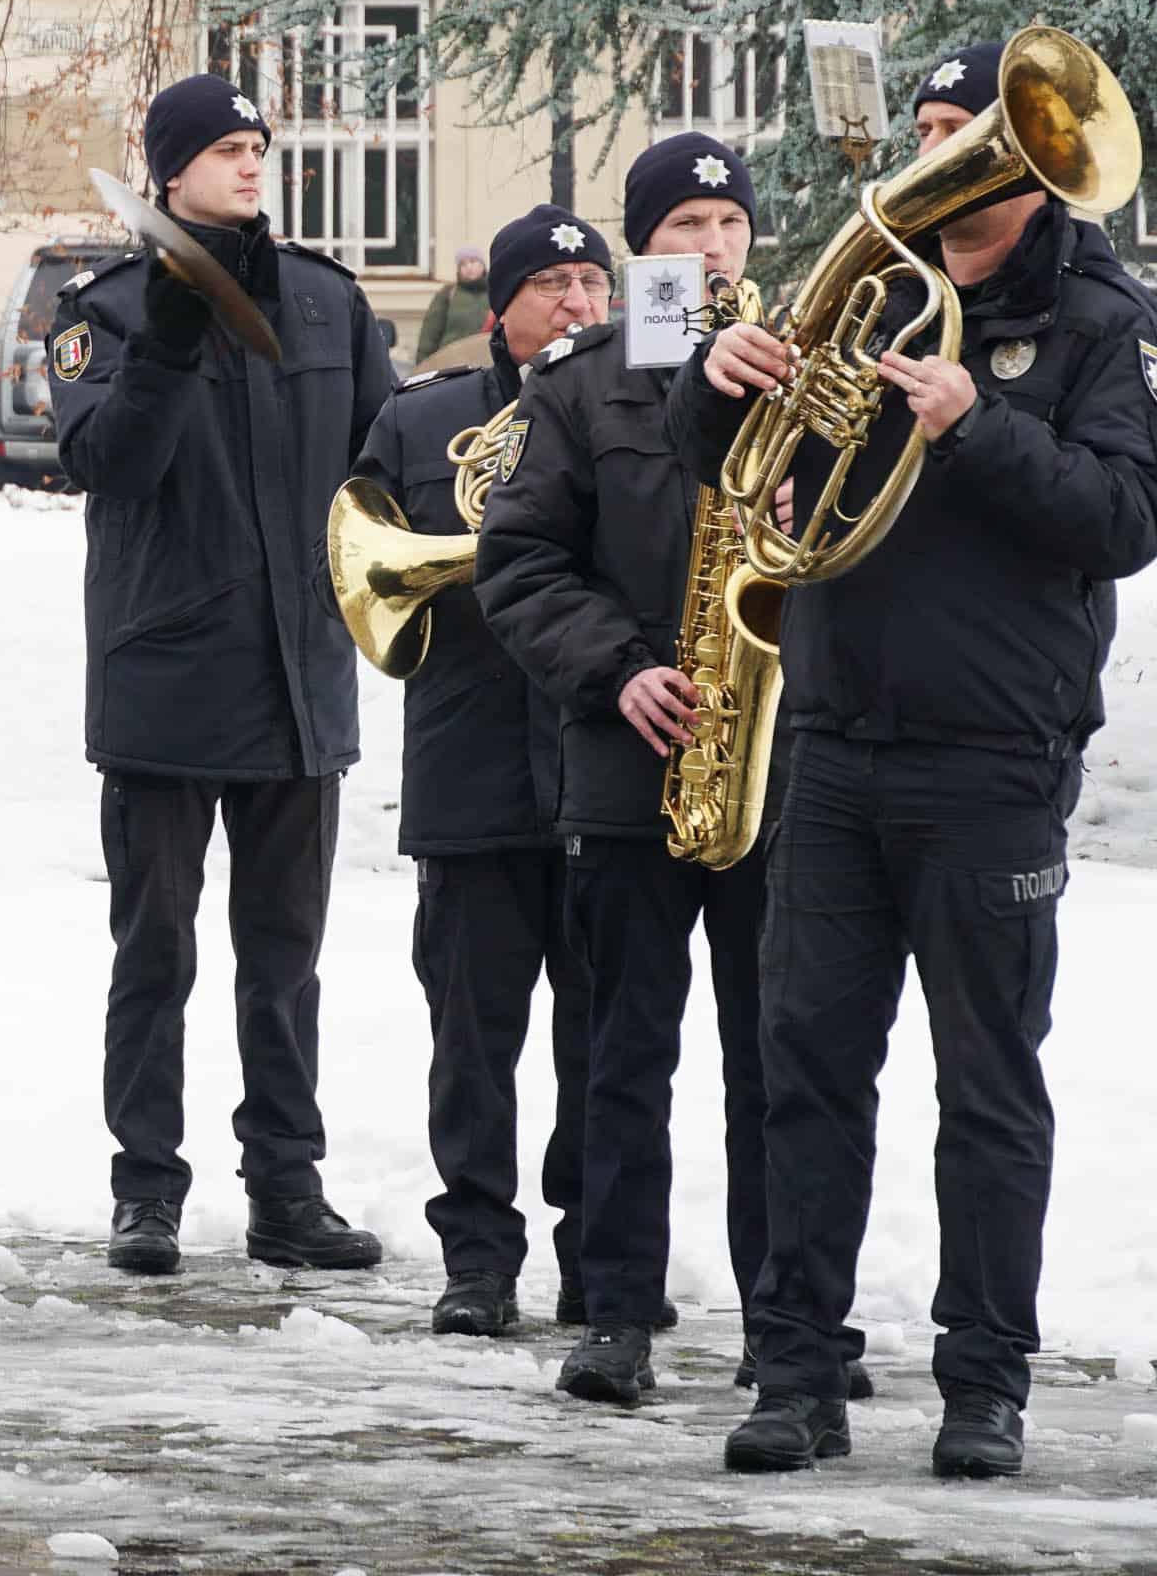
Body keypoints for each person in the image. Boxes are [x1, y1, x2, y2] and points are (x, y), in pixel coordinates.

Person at [682, 41, 1157, 1477]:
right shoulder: (875, 281)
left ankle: (985, 1387)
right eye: (932, 135)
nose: (936, 163)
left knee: (989, 1082)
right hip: (832, 738)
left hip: (992, 755)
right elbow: (749, 475)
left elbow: (1123, 519)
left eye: (967, 140)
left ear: (1028, 167)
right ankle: (797, 1373)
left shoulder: (1093, 319)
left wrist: (977, 425)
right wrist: (724, 390)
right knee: (805, 1067)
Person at [49, 74, 395, 1282]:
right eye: (225, 149)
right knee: (155, 951)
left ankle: (286, 1188)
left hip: (300, 678)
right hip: (165, 680)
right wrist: (173, 342)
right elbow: (106, 462)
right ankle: (145, 1189)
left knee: (285, 957)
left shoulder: (325, 302)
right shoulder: (103, 308)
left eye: (259, 145)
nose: (251, 164)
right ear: (169, 172)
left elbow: (384, 465)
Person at [476, 133, 792, 1409]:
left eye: (729, 221)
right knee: (622, 1052)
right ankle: (615, 1313)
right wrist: (618, 669)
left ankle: (792, 1319)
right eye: (684, 223)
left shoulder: (803, 377)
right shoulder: (580, 383)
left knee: (784, 1059)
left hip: (775, 764)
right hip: (631, 763)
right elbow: (519, 564)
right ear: (643, 245)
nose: (710, 244)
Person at [349, 208, 608, 1336]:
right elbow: (362, 564)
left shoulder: (640, 406)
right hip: (470, 767)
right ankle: (478, 1258)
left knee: (603, 1038)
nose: (579, 303)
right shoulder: (424, 420)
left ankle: (598, 1253)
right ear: (498, 305)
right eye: (551, 283)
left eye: (595, 282)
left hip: (603, 768)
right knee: (472, 1041)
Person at [414, 249, 490, 362]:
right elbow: (430, 332)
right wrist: (422, 363)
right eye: (463, 264)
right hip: (452, 360)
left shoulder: (496, 292)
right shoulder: (448, 294)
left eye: (473, 261)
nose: (469, 267)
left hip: (486, 360)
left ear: (483, 265)